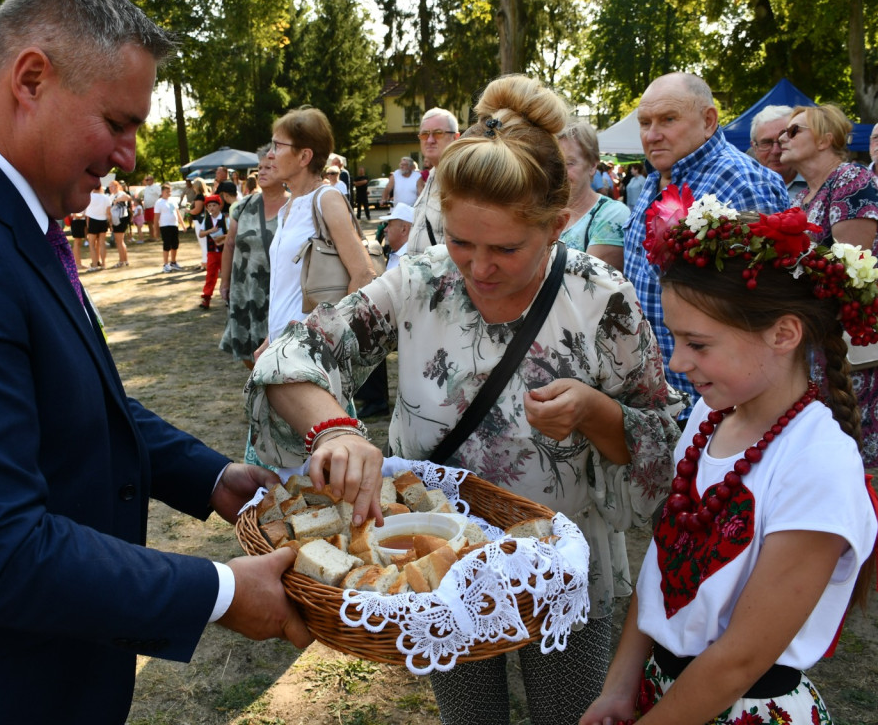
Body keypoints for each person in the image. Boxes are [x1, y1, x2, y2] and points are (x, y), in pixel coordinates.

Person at [0, 0, 312, 724]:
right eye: (119, 123)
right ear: (31, 78)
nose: (131, 156)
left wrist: (210, 478)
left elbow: (68, 396)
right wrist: (220, 592)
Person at [247, 74, 682, 725]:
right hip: (437, 579)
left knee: (571, 713)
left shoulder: (599, 297)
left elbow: (664, 435)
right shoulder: (422, 279)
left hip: (561, 577)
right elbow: (293, 353)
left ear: (558, 224)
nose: (477, 269)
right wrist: (335, 429)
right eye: (460, 241)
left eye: (506, 248)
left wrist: (595, 412)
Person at [582, 192, 878, 725]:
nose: (677, 361)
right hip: (665, 691)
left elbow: (740, 657)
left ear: (783, 333)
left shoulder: (818, 464)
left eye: (698, 344)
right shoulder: (709, 416)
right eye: (674, 338)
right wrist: (620, 685)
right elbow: (665, 560)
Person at [625, 72, 790, 416]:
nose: (652, 134)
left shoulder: (740, 180)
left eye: (668, 119)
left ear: (709, 121)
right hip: (663, 398)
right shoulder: (656, 178)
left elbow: (762, 309)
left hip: (718, 407)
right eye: (644, 123)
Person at [778, 104, 878, 466]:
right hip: (819, 343)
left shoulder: (852, 179)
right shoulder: (804, 195)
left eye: (794, 131)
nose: (782, 139)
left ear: (826, 139)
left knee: (858, 458)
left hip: (853, 348)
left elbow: (851, 266)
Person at [261, 106, 377, 347]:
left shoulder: (326, 198)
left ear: (304, 157)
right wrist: (270, 339)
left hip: (310, 350)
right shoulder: (289, 206)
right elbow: (288, 287)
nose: (270, 154)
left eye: (278, 146)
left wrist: (332, 342)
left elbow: (364, 274)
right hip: (283, 346)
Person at [220, 148, 288, 368]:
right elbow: (229, 245)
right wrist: (225, 282)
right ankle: (262, 393)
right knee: (250, 352)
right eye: (260, 168)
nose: (262, 172)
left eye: (269, 167)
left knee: (283, 353)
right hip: (245, 289)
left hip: (280, 291)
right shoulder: (242, 207)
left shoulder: (296, 205)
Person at [353, 202, 414, 419]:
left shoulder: (411, 256)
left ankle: (375, 399)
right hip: (395, 318)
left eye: (390, 225)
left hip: (406, 321)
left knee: (366, 332)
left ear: (405, 229)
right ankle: (370, 396)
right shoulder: (396, 253)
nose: (385, 229)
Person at [558, 121, 628, 270]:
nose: (560, 173)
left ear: (592, 166)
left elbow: (588, 286)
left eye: (570, 163)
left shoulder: (610, 214)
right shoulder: (544, 212)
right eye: (556, 164)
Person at [407, 107, 460, 254]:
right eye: (424, 134)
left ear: (455, 138)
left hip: (444, 275)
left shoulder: (460, 178)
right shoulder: (432, 175)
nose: (429, 140)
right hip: (420, 273)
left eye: (437, 133)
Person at [750, 104, 808, 196]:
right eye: (767, 143)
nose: (775, 151)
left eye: (783, 141)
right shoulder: (745, 189)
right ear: (754, 148)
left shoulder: (820, 184)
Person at [196, 193, 227, 309]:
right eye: (209, 206)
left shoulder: (224, 218)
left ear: (219, 206)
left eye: (214, 205)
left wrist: (222, 237)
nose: (212, 208)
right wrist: (211, 230)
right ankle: (206, 298)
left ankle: (228, 297)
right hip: (212, 252)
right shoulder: (207, 220)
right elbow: (201, 233)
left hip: (224, 252)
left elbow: (231, 234)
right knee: (210, 275)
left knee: (226, 275)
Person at [155, 182, 185, 273]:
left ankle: (173, 262)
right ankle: (165, 264)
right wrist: (156, 230)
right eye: (167, 192)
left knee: (175, 244)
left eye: (170, 191)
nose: (169, 193)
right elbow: (156, 217)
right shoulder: (159, 202)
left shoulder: (172, 201)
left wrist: (182, 224)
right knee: (167, 244)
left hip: (174, 225)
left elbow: (177, 213)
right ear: (162, 192)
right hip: (165, 226)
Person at [83, 179, 110, 271]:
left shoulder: (90, 196)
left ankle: (94, 264)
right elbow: (108, 212)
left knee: (91, 244)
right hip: (103, 220)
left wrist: (87, 225)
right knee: (102, 243)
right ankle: (103, 264)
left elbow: (87, 213)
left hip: (93, 220)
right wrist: (110, 223)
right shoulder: (106, 197)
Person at [140, 174, 160, 241]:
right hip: (147, 207)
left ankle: (157, 236)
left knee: (155, 222)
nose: (146, 181)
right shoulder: (146, 188)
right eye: (146, 180)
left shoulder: (156, 187)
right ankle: (151, 236)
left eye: (147, 180)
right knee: (149, 222)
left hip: (154, 207)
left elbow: (160, 195)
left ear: (152, 180)